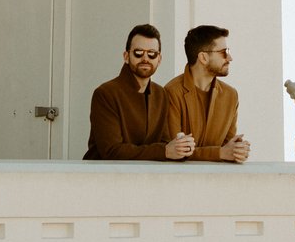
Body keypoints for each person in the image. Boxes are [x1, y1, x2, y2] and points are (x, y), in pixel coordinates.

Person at [83, 24, 196, 161]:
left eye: (152, 54)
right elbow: (111, 151)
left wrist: (180, 148)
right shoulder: (105, 93)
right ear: (126, 56)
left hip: (146, 177)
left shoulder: (161, 94)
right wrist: (164, 151)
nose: (145, 59)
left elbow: (165, 142)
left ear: (159, 59)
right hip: (105, 177)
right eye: (138, 52)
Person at [164, 24, 250, 162]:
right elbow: (176, 151)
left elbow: (228, 148)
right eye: (224, 52)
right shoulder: (171, 92)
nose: (230, 58)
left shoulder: (231, 95)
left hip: (218, 180)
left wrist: (237, 151)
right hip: (180, 180)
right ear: (203, 57)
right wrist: (220, 153)